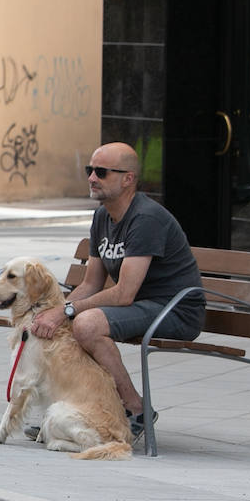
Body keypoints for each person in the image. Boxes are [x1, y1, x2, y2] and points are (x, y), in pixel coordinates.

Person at [26, 141, 204, 439]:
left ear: (128, 179)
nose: (92, 178)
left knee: (86, 323)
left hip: (175, 309)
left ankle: (135, 409)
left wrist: (67, 311)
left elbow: (124, 294)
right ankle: (84, 411)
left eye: (102, 172)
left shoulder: (145, 218)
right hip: (141, 306)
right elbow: (91, 283)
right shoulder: (102, 217)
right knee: (66, 324)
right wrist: (53, 313)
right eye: (90, 170)